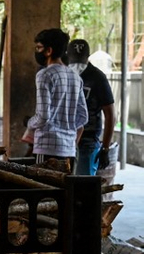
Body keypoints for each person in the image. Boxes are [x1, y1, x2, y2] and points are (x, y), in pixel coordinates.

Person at [22, 28, 87, 169]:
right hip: (69, 149)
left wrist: (30, 123)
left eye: (39, 47)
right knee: (65, 189)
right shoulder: (75, 77)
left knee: (45, 189)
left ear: (49, 51)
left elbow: (43, 116)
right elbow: (83, 117)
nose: (36, 51)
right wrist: (67, 132)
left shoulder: (44, 75)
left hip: (47, 149)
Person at [67, 38, 115, 175]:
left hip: (88, 141)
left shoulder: (98, 77)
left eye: (80, 61)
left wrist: (105, 148)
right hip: (65, 139)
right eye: (74, 60)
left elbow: (110, 114)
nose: (77, 65)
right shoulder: (63, 74)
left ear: (88, 57)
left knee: (84, 186)